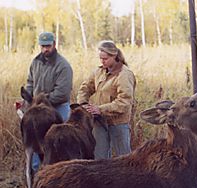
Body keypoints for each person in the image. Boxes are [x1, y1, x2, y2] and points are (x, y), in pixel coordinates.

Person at [77, 40, 136, 159]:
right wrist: (82, 104)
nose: (102, 61)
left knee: (125, 159)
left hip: (118, 123)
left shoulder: (124, 75)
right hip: (99, 122)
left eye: (105, 58)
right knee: (100, 159)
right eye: (100, 58)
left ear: (114, 56)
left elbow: (124, 102)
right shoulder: (99, 71)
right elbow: (85, 87)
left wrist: (100, 109)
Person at [26, 32, 73, 171]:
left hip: (58, 108)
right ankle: (35, 173)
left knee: (59, 141)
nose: (46, 49)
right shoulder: (35, 62)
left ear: (54, 44)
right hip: (38, 109)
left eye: (48, 46)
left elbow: (62, 93)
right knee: (34, 140)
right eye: (43, 46)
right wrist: (28, 98)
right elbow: (30, 82)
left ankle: (59, 172)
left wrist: (42, 102)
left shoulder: (63, 66)